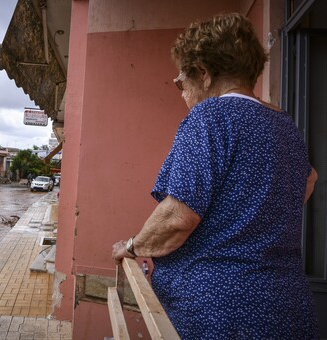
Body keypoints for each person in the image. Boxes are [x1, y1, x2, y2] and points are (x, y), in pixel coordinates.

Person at [111, 13, 319, 339]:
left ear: (204, 74)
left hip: (218, 314)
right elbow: (308, 180)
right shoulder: (284, 125)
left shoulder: (210, 116)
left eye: (181, 82)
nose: (182, 94)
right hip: (288, 308)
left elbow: (178, 218)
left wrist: (132, 246)